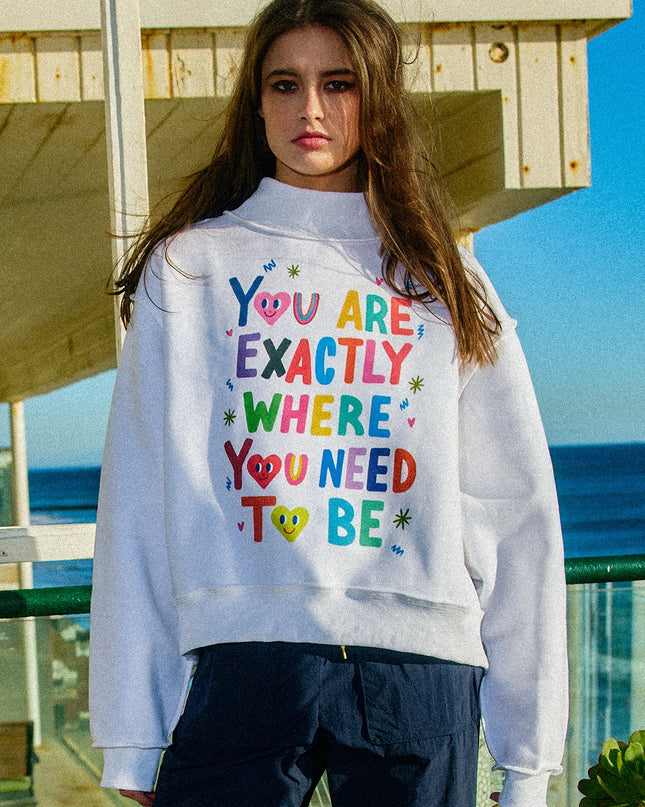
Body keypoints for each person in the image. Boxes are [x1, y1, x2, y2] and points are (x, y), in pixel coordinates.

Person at [88, 0, 569, 805]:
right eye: (284, 84)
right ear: (256, 102)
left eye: (338, 83)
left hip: (417, 674)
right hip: (245, 661)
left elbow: (514, 507)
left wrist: (527, 757)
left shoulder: (441, 278)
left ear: (376, 97)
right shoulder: (192, 270)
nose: (309, 109)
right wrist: (131, 737)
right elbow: (139, 498)